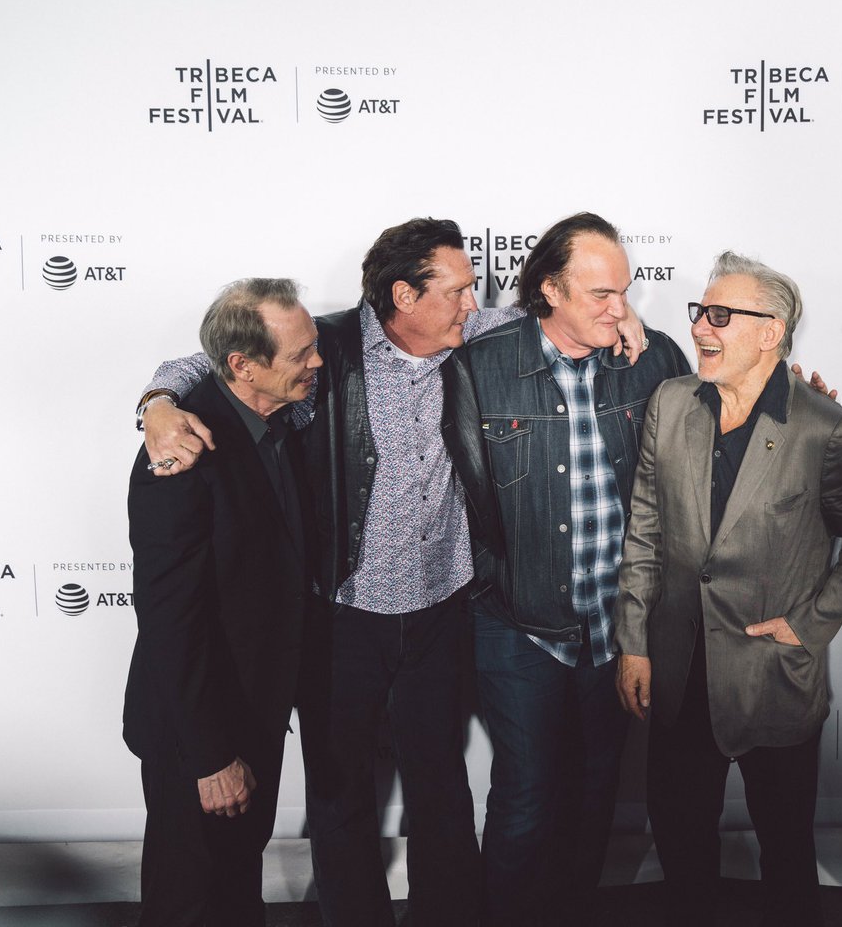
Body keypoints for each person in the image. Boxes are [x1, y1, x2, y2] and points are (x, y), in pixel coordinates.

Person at [135, 218, 646, 926]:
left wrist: (620, 313)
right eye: (458, 290)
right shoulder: (326, 349)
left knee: (441, 788)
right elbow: (214, 363)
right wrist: (157, 402)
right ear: (405, 296)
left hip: (442, 611)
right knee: (340, 795)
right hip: (341, 615)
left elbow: (564, 316)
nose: (475, 303)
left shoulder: (471, 336)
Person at [612, 251, 842, 927]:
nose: (699, 329)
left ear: (771, 332)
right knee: (681, 845)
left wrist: (810, 623)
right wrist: (634, 642)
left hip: (772, 674)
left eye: (719, 315)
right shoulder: (671, 403)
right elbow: (645, 532)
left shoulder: (825, 428)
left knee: (787, 852)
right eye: (699, 313)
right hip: (679, 670)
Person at [441, 211, 690, 925]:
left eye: (625, 292)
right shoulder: (480, 362)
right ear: (549, 290)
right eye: (601, 294)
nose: (619, 308)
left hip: (616, 627)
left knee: (595, 789)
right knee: (526, 795)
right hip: (518, 623)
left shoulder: (653, 358)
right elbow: (458, 485)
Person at [124, 278, 322, 926]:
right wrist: (210, 757)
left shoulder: (280, 415)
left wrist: (156, 396)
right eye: (301, 354)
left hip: (256, 710)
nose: (317, 361)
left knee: (236, 890)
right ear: (244, 365)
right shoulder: (180, 451)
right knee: (187, 899)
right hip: (198, 734)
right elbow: (171, 620)